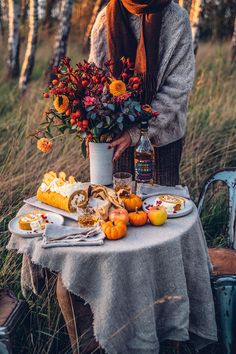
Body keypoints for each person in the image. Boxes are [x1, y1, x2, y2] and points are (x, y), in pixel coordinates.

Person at [89, 0, 195, 186]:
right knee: (118, 205)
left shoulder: (177, 19)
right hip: (116, 138)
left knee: (164, 207)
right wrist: (94, 132)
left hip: (162, 139)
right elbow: (95, 84)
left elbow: (179, 85)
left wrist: (138, 132)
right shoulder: (104, 19)